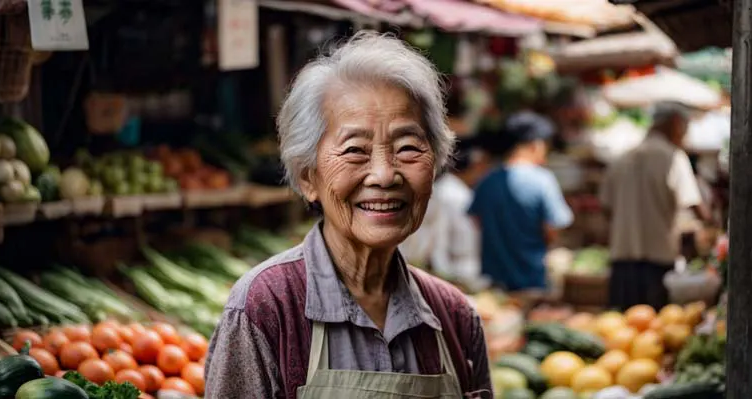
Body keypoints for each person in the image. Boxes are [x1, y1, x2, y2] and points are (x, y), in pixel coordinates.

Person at [205, 31, 491, 398]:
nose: (385, 175)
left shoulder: (455, 317)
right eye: (355, 150)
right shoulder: (266, 308)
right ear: (309, 177)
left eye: (407, 147)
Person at [600, 102, 712, 311]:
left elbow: (606, 208)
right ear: (676, 124)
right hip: (658, 264)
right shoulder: (672, 157)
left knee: (620, 326)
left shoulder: (621, 158)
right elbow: (696, 207)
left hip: (622, 263)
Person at [468, 111, 573, 292]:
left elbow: (476, 221)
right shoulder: (542, 180)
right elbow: (553, 227)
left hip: (493, 283)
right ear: (536, 145)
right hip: (532, 280)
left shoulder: (487, 180)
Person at [399, 138, 485, 290]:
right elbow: (440, 243)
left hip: (441, 272)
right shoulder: (454, 194)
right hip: (450, 271)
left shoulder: (444, 191)